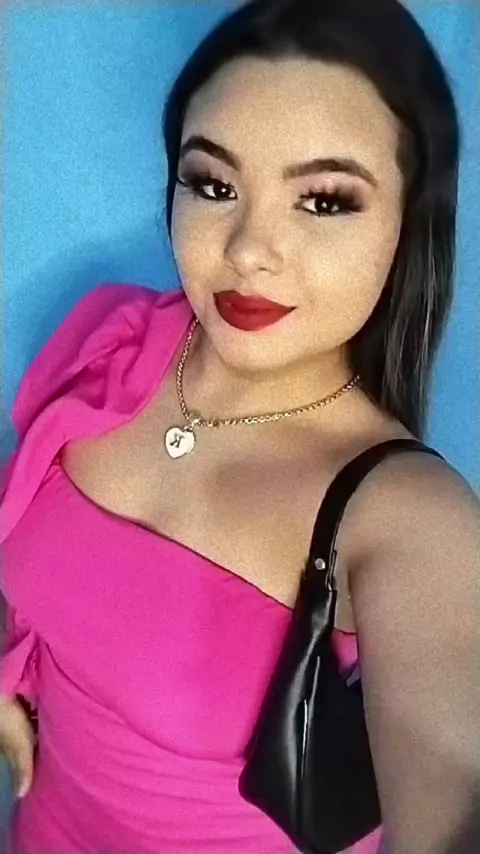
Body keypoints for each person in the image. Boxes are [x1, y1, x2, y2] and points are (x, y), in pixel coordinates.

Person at [1, 0, 479, 851]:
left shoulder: (407, 516)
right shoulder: (112, 341)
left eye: (323, 200)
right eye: (213, 185)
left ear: (409, 222)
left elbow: (453, 777)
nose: (251, 248)